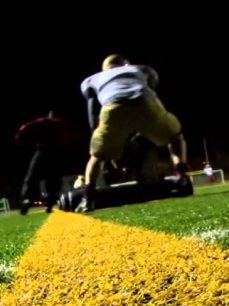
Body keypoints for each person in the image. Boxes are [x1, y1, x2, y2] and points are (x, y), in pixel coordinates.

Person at [77, 54, 187, 212]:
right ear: (125, 64)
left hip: (112, 108)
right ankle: (181, 176)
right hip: (145, 103)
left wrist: (97, 132)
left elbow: (92, 106)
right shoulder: (140, 68)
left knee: (97, 157)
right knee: (175, 137)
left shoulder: (92, 79)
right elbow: (151, 88)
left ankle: (87, 198)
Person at [15, 111, 65, 215]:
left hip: (43, 151)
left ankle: (27, 199)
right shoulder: (59, 124)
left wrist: (20, 137)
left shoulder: (44, 121)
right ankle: (49, 202)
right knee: (52, 179)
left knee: (32, 177)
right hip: (55, 153)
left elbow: (25, 126)